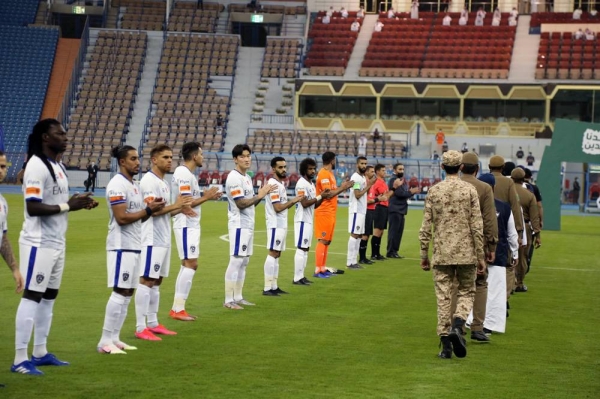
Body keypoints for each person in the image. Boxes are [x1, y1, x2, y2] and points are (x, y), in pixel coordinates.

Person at [12, 119, 97, 374]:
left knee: (49, 297)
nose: (65, 136)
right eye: (59, 133)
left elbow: (59, 201)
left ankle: (39, 352)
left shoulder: (57, 165)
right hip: (39, 242)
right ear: (45, 138)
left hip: (57, 240)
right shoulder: (36, 166)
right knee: (33, 295)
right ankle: (19, 359)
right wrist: (68, 206)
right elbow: (33, 207)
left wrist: (77, 202)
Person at [97, 145, 164, 355]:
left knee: (128, 291)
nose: (138, 162)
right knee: (119, 291)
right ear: (122, 162)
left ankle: (115, 338)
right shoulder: (117, 185)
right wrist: (147, 210)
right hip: (121, 246)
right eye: (133, 159)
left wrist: (153, 209)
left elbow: (139, 216)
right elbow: (122, 218)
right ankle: (104, 340)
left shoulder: (134, 185)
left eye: (138, 158)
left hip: (134, 244)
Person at [419, 150, 485, 359]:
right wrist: (481, 255)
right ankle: (458, 323)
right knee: (467, 291)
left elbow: (426, 226)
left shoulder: (434, 191)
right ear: (461, 167)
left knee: (443, 297)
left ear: (442, 167)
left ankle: (445, 344)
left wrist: (423, 253)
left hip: (442, 252)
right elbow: (477, 225)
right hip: (466, 252)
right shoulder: (470, 191)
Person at [134, 144, 193, 341]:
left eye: (171, 157)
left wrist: (180, 208)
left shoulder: (164, 182)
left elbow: (166, 210)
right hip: (151, 238)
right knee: (147, 280)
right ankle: (141, 326)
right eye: (165, 157)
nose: (170, 160)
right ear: (154, 160)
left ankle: (153, 323)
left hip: (163, 237)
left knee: (157, 281)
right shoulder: (149, 181)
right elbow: (154, 210)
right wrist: (176, 205)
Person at [170, 142, 222, 320]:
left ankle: (177, 308)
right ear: (194, 156)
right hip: (185, 224)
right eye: (201, 154)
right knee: (191, 264)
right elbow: (185, 202)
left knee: (187, 264)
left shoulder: (187, 174)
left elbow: (189, 201)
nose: (203, 157)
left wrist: (207, 197)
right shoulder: (184, 173)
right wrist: (206, 197)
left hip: (189, 224)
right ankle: (178, 309)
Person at [224, 144, 276, 309]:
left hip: (248, 224)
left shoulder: (246, 177)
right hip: (239, 225)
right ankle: (228, 300)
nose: (247, 159)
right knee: (236, 260)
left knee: (244, 261)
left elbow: (250, 203)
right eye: (242, 156)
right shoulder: (234, 178)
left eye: (248, 155)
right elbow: (241, 203)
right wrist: (259, 195)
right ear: (235, 159)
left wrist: (260, 195)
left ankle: (238, 297)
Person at [459, 153, 498, 343]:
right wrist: (492, 245)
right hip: (476, 242)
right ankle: (477, 327)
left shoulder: (448, 186)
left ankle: (455, 325)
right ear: (477, 169)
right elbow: (490, 220)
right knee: (480, 283)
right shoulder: (484, 188)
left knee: (455, 284)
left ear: (460, 168)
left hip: (453, 243)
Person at [477, 173, 518, 335]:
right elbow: (512, 233)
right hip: (498, 254)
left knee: (472, 289)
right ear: (494, 187)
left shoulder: (471, 205)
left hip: (474, 254)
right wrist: (514, 253)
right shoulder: (504, 207)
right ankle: (489, 325)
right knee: (495, 292)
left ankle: (469, 322)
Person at [262, 157, 304, 296]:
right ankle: (268, 287)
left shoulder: (279, 184)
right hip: (275, 224)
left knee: (277, 254)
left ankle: (274, 286)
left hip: (281, 224)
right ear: (273, 169)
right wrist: (294, 201)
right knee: (273, 252)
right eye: (280, 167)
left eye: (285, 167)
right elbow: (278, 208)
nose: (284, 169)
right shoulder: (273, 185)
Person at [314, 152, 354, 278]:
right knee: (323, 240)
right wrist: (344, 187)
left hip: (330, 212)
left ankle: (322, 268)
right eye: (335, 160)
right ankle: (318, 270)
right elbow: (329, 194)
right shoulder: (324, 174)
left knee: (327, 241)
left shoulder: (330, 174)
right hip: (324, 211)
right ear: (332, 160)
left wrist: (342, 187)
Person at [488, 155, 523, 298]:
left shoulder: (482, 180)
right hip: (503, 221)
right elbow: (515, 206)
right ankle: (504, 297)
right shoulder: (508, 183)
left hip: (485, 224)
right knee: (507, 264)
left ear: (489, 167)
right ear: (502, 167)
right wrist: (519, 230)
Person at [293, 158, 330, 285]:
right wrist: (320, 196)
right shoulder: (301, 184)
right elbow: (304, 203)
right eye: (310, 169)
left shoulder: (311, 184)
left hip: (308, 220)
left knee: (306, 249)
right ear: (304, 170)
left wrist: (322, 197)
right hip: (302, 220)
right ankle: (297, 278)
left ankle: (301, 276)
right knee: (301, 248)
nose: (313, 171)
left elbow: (314, 205)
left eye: (314, 168)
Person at [511, 168, 541, 293]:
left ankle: (509, 282)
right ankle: (519, 283)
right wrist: (538, 235)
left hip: (509, 225)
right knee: (523, 257)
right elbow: (535, 217)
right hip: (525, 228)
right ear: (524, 178)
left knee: (509, 255)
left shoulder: (507, 192)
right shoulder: (529, 195)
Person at [0, 150, 24, 294]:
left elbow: (2, 238)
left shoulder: (2, 202)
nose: (1, 170)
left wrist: (14, 269)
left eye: (3, 166)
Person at [386, 163, 419, 258]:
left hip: (401, 209)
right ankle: (390, 252)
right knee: (394, 232)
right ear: (395, 170)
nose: (402, 171)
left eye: (403, 169)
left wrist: (411, 192)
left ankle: (395, 251)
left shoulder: (402, 180)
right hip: (395, 209)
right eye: (400, 169)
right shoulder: (393, 180)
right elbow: (400, 193)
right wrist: (410, 192)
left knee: (398, 232)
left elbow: (404, 193)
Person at [347, 159, 376, 268]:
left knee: (359, 236)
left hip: (362, 210)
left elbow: (365, 193)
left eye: (365, 164)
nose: (364, 165)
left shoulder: (363, 177)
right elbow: (357, 194)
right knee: (355, 234)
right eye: (362, 163)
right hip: (356, 210)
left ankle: (354, 261)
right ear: (357, 164)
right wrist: (370, 185)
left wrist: (369, 184)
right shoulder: (355, 178)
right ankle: (350, 261)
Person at [370, 164, 391, 260]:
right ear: (377, 171)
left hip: (385, 207)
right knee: (377, 231)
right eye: (383, 170)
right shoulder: (377, 182)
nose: (385, 172)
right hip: (379, 207)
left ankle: (377, 253)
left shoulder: (383, 181)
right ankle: (374, 254)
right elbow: (384, 195)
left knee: (381, 231)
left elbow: (386, 195)